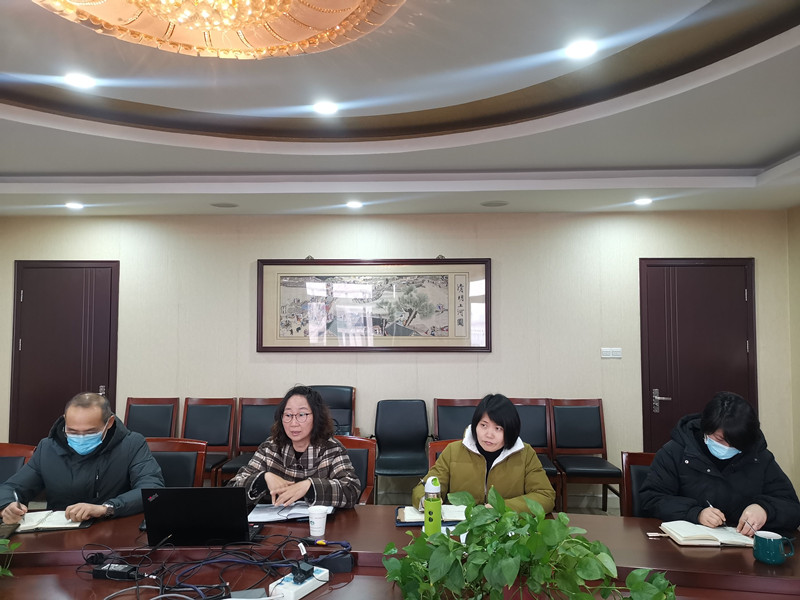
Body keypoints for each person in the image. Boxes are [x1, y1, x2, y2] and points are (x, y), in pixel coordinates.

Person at [640, 391, 800, 536]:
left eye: (736, 443)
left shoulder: (759, 457)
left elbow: (792, 508)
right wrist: (695, 513)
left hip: (743, 548)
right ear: (705, 428)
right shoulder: (675, 452)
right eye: (720, 439)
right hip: (686, 547)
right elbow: (651, 500)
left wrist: (765, 510)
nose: (727, 447)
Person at [0, 392, 164, 524]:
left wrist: (107, 508)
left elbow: (152, 491)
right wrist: (7, 506)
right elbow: (12, 487)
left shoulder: (132, 444)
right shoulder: (47, 448)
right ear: (65, 421)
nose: (80, 438)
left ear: (109, 423)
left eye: (90, 432)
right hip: (60, 533)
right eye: (72, 431)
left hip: (114, 529)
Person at [411, 394, 555, 513]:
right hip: (460, 528)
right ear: (475, 425)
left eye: (498, 428)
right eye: (484, 425)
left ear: (510, 430)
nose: (489, 434)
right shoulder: (453, 451)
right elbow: (424, 487)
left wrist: (502, 507)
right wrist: (426, 499)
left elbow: (545, 496)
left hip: (506, 527)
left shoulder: (525, 454)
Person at [228, 385, 360, 508]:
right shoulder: (270, 447)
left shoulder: (332, 448)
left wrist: (310, 486)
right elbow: (232, 489)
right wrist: (263, 479)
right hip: (274, 523)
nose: (293, 423)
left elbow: (351, 490)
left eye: (302, 415)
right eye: (288, 415)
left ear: (317, 417)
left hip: (318, 523)